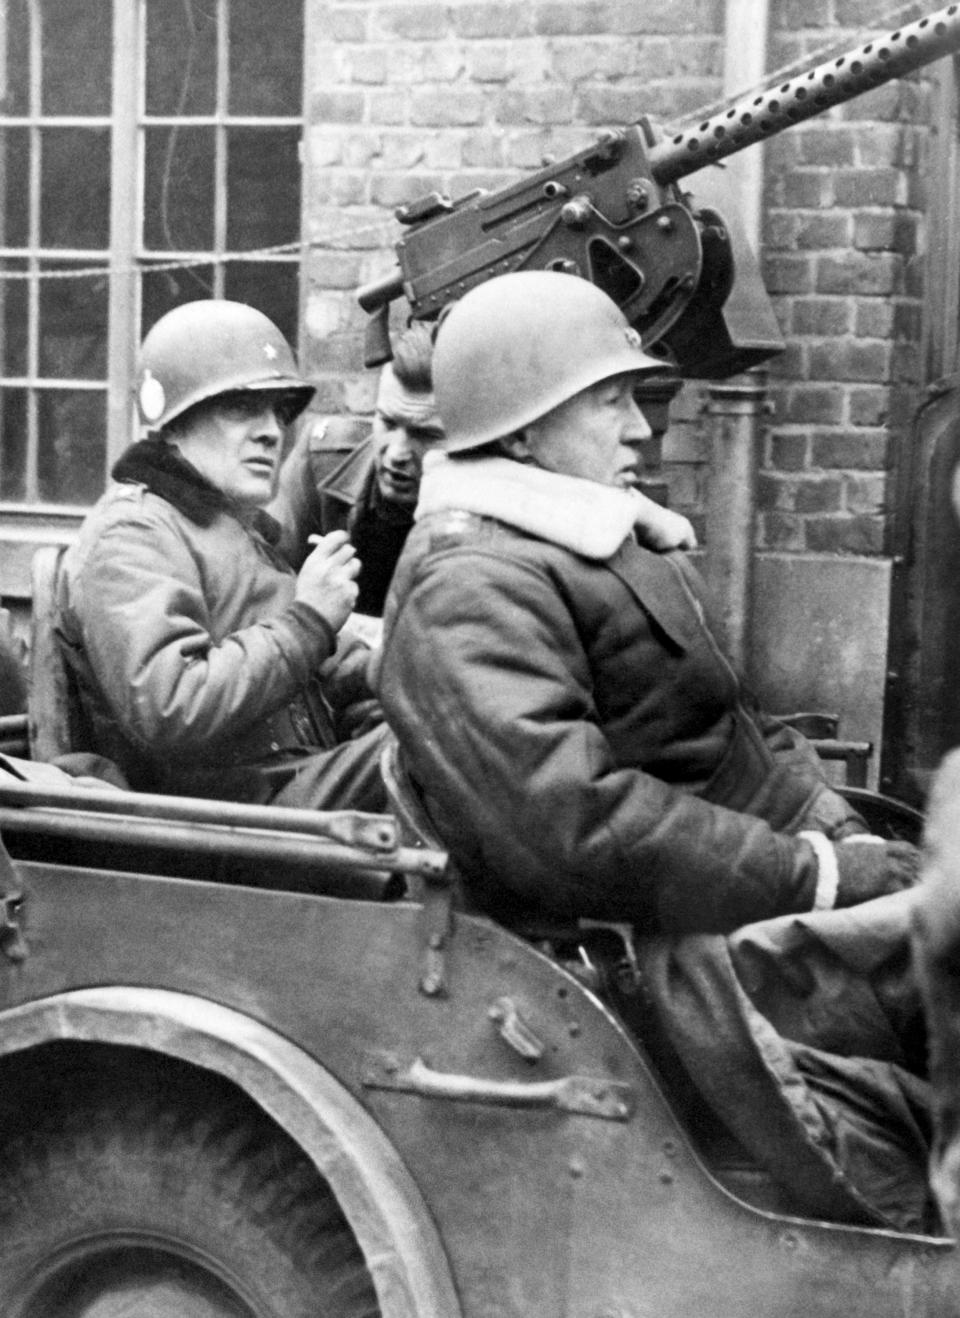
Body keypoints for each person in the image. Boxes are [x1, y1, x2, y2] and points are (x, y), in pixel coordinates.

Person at [375, 271, 933, 1230]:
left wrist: (843, 840)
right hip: (677, 963)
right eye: (611, 402)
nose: (644, 430)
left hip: (741, 912)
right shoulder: (470, 583)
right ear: (521, 430)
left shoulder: (586, 543)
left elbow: (726, 739)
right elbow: (572, 826)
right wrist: (817, 874)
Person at [56, 299, 388, 812]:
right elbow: (170, 708)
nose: (271, 431)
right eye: (241, 408)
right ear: (177, 420)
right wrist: (310, 620)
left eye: (278, 412)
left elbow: (322, 672)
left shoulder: (233, 531)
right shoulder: (134, 533)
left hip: (284, 791)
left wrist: (398, 680)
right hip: (217, 820)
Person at [269, 321, 444, 616]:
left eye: (424, 434)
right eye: (387, 423)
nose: (397, 453)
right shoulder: (323, 460)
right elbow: (263, 585)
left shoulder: (489, 499)